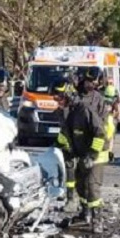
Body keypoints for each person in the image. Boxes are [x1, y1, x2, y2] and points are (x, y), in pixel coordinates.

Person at [61, 70, 108, 234]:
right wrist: (67, 152)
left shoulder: (89, 106)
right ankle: (85, 213)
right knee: (81, 185)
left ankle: (97, 219)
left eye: (94, 81)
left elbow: (101, 132)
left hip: (96, 151)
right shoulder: (70, 110)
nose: (92, 84)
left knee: (91, 186)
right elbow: (65, 134)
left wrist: (92, 155)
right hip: (81, 152)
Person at [53, 79, 79, 213]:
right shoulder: (61, 110)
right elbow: (63, 130)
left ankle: (77, 200)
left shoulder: (76, 109)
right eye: (55, 96)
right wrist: (60, 142)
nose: (57, 99)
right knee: (69, 173)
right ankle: (70, 198)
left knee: (80, 174)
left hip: (79, 147)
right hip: (67, 147)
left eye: (60, 96)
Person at [102, 80, 120, 162]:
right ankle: (109, 152)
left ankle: (106, 152)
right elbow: (117, 107)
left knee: (104, 136)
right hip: (110, 119)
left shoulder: (101, 97)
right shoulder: (114, 97)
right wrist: (118, 114)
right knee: (111, 137)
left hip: (103, 119)